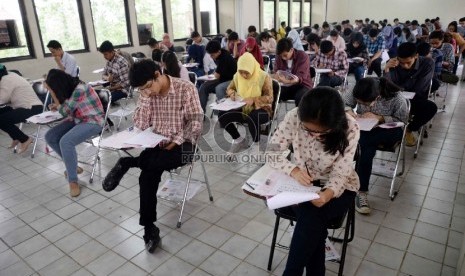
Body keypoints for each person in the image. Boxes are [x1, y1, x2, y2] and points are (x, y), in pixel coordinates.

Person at [102, 59, 203, 253]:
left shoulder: (186, 89)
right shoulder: (146, 93)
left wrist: (177, 140)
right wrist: (146, 98)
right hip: (157, 142)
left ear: (158, 74)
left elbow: (196, 123)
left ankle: (129, 162)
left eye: (148, 87)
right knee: (147, 175)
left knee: (156, 162)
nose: (147, 92)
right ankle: (149, 229)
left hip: (185, 142)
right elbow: (140, 124)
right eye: (142, 90)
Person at [266, 87, 360, 276]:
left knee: (311, 217)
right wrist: (293, 170)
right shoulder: (294, 117)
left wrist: (327, 194)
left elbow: (341, 173)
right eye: (308, 130)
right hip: (301, 183)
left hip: (339, 187)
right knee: (313, 224)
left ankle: (291, 273)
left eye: (322, 133)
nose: (314, 136)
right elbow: (271, 151)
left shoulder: (350, 126)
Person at [343, 77, 409, 214]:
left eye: (366, 104)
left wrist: (379, 118)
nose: (366, 106)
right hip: (365, 129)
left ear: (378, 97)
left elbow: (403, 120)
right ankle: (360, 191)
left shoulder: (397, 98)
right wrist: (349, 111)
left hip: (390, 130)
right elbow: (343, 102)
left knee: (362, 143)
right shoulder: (359, 88)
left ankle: (357, 189)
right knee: (365, 147)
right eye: (360, 103)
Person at [44, 69, 105, 197]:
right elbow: (68, 108)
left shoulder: (79, 89)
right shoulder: (70, 88)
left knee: (66, 141)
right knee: (50, 136)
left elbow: (65, 112)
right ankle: (72, 165)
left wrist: (52, 94)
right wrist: (58, 105)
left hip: (93, 121)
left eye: (54, 88)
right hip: (78, 119)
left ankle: (73, 181)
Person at [218, 53, 272, 155]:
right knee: (222, 115)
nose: (243, 75)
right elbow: (229, 88)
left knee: (252, 116)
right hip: (242, 107)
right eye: (241, 72)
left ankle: (256, 144)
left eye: (246, 73)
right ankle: (239, 140)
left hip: (262, 109)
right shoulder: (237, 76)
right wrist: (232, 93)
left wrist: (254, 99)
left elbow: (269, 98)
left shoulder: (264, 77)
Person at [384, 42, 437, 146]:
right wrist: (386, 69)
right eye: (402, 62)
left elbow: (418, 88)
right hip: (395, 99)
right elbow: (387, 87)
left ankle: (409, 129)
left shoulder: (427, 63)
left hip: (415, 99)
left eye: (408, 62)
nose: (405, 66)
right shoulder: (393, 63)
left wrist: (398, 87)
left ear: (416, 56)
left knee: (431, 108)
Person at [0, 65, 43, 153]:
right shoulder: (11, 74)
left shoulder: (6, 80)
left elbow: (2, 99)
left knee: (1, 120)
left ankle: (25, 139)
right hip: (22, 107)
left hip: (32, 108)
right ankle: (16, 137)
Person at [198, 40, 237, 112]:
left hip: (232, 80)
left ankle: (223, 112)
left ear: (219, 52)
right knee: (203, 87)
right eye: (210, 55)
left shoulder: (224, 57)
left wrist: (210, 76)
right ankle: (201, 112)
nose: (211, 57)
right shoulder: (219, 55)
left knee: (219, 88)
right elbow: (217, 73)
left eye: (212, 55)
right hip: (223, 79)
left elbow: (216, 76)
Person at [273, 38, 312, 107]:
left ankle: (299, 117)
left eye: (285, 55)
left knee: (301, 97)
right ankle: (269, 116)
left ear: (291, 50)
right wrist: (276, 77)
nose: (283, 58)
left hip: (302, 85)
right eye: (281, 56)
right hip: (286, 86)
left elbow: (300, 77)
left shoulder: (302, 56)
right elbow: (276, 71)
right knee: (271, 93)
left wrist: (287, 81)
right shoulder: (279, 57)